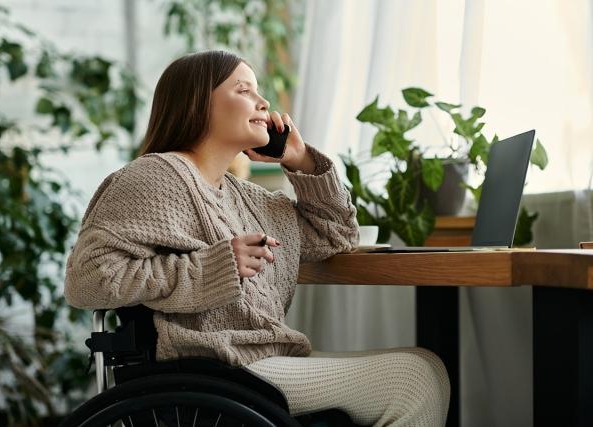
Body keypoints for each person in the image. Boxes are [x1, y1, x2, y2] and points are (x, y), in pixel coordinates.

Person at [64, 50, 450, 427]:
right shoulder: (155, 177)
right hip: (213, 367)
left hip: (260, 360)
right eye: (244, 90)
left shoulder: (242, 196)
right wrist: (211, 269)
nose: (263, 102)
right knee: (412, 379)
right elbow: (87, 280)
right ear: (198, 104)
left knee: (427, 366)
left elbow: (335, 235)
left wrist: (301, 162)